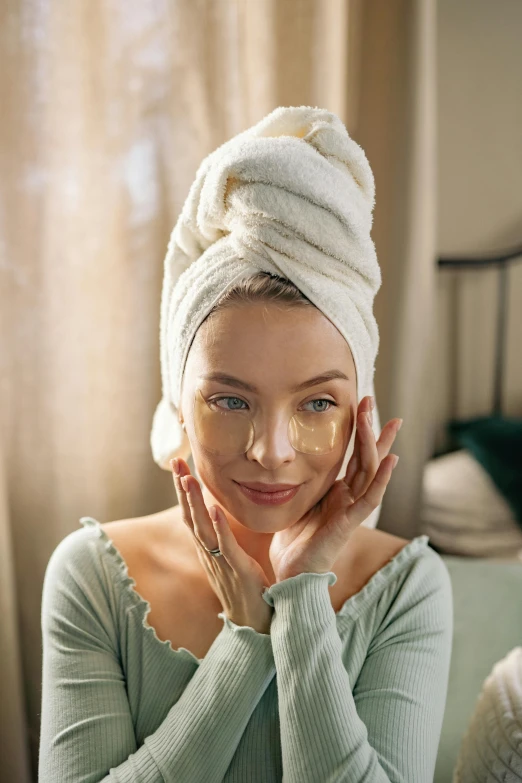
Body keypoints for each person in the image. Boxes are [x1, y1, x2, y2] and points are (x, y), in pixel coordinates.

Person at [38, 107, 453, 782]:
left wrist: (302, 598)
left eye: (317, 402)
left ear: (359, 409)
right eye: (230, 400)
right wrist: (245, 639)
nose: (271, 451)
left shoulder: (406, 587)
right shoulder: (92, 578)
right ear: (180, 400)